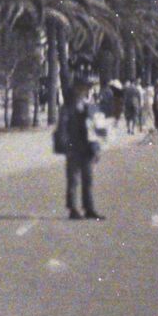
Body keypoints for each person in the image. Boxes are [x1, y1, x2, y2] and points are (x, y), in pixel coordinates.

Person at [55, 85, 104, 221]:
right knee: (73, 180)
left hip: (88, 149)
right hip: (74, 149)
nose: (84, 95)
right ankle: (73, 209)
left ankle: (89, 208)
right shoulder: (66, 110)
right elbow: (62, 130)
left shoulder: (90, 108)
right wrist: (66, 147)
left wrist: (97, 148)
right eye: (82, 93)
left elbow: (97, 129)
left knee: (88, 180)